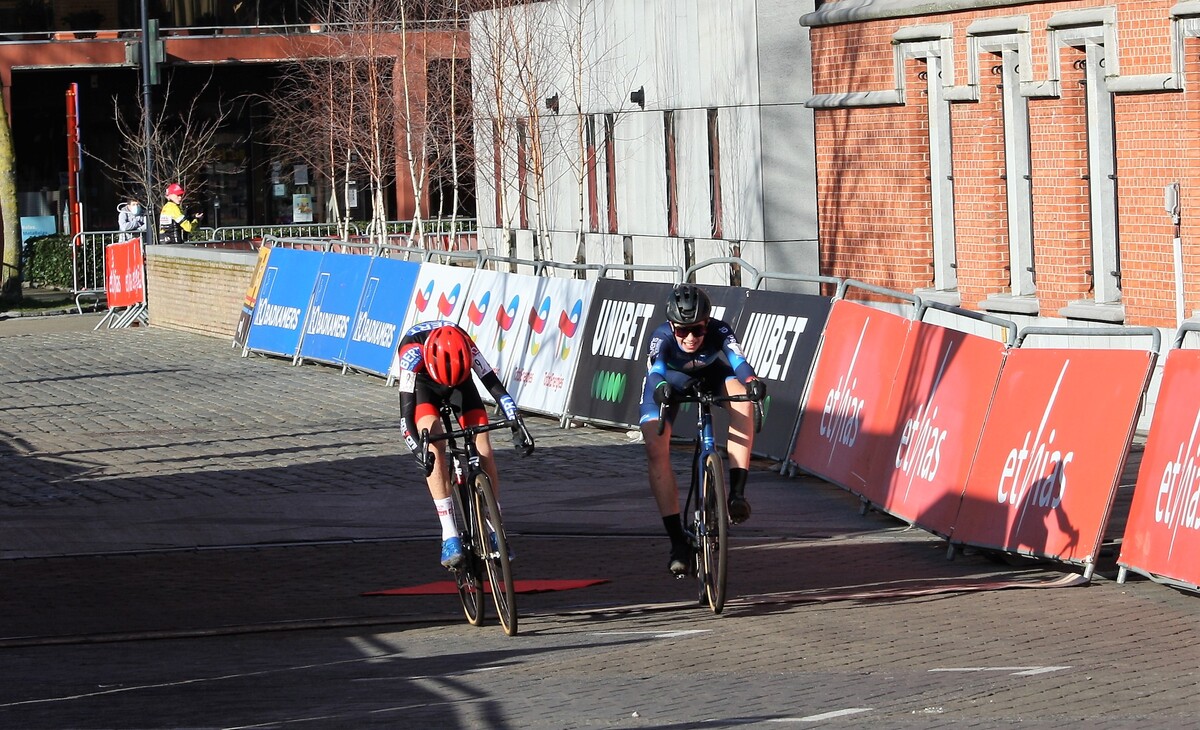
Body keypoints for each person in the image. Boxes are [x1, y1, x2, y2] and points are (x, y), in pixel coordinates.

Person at [640, 283, 766, 576]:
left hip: (710, 375)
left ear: (707, 323)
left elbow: (738, 361)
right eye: (682, 331)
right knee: (655, 446)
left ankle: (736, 494)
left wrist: (752, 382)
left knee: (744, 403)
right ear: (672, 326)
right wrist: (660, 389)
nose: (690, 337)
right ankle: (677, 542)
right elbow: (656, 370)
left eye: (697, 329)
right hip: (669, 382)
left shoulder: (721, 331)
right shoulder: (661, 336)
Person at [397, 321, 534, 569]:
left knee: (483, 442)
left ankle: (494, 526)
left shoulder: (467, 345)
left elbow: (497, 389)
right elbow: (405, 419)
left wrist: (517, 424)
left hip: (462, 381)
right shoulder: (410, 353)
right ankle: (449, 534)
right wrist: (418, 448)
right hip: (425, 384)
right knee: (432, 441)